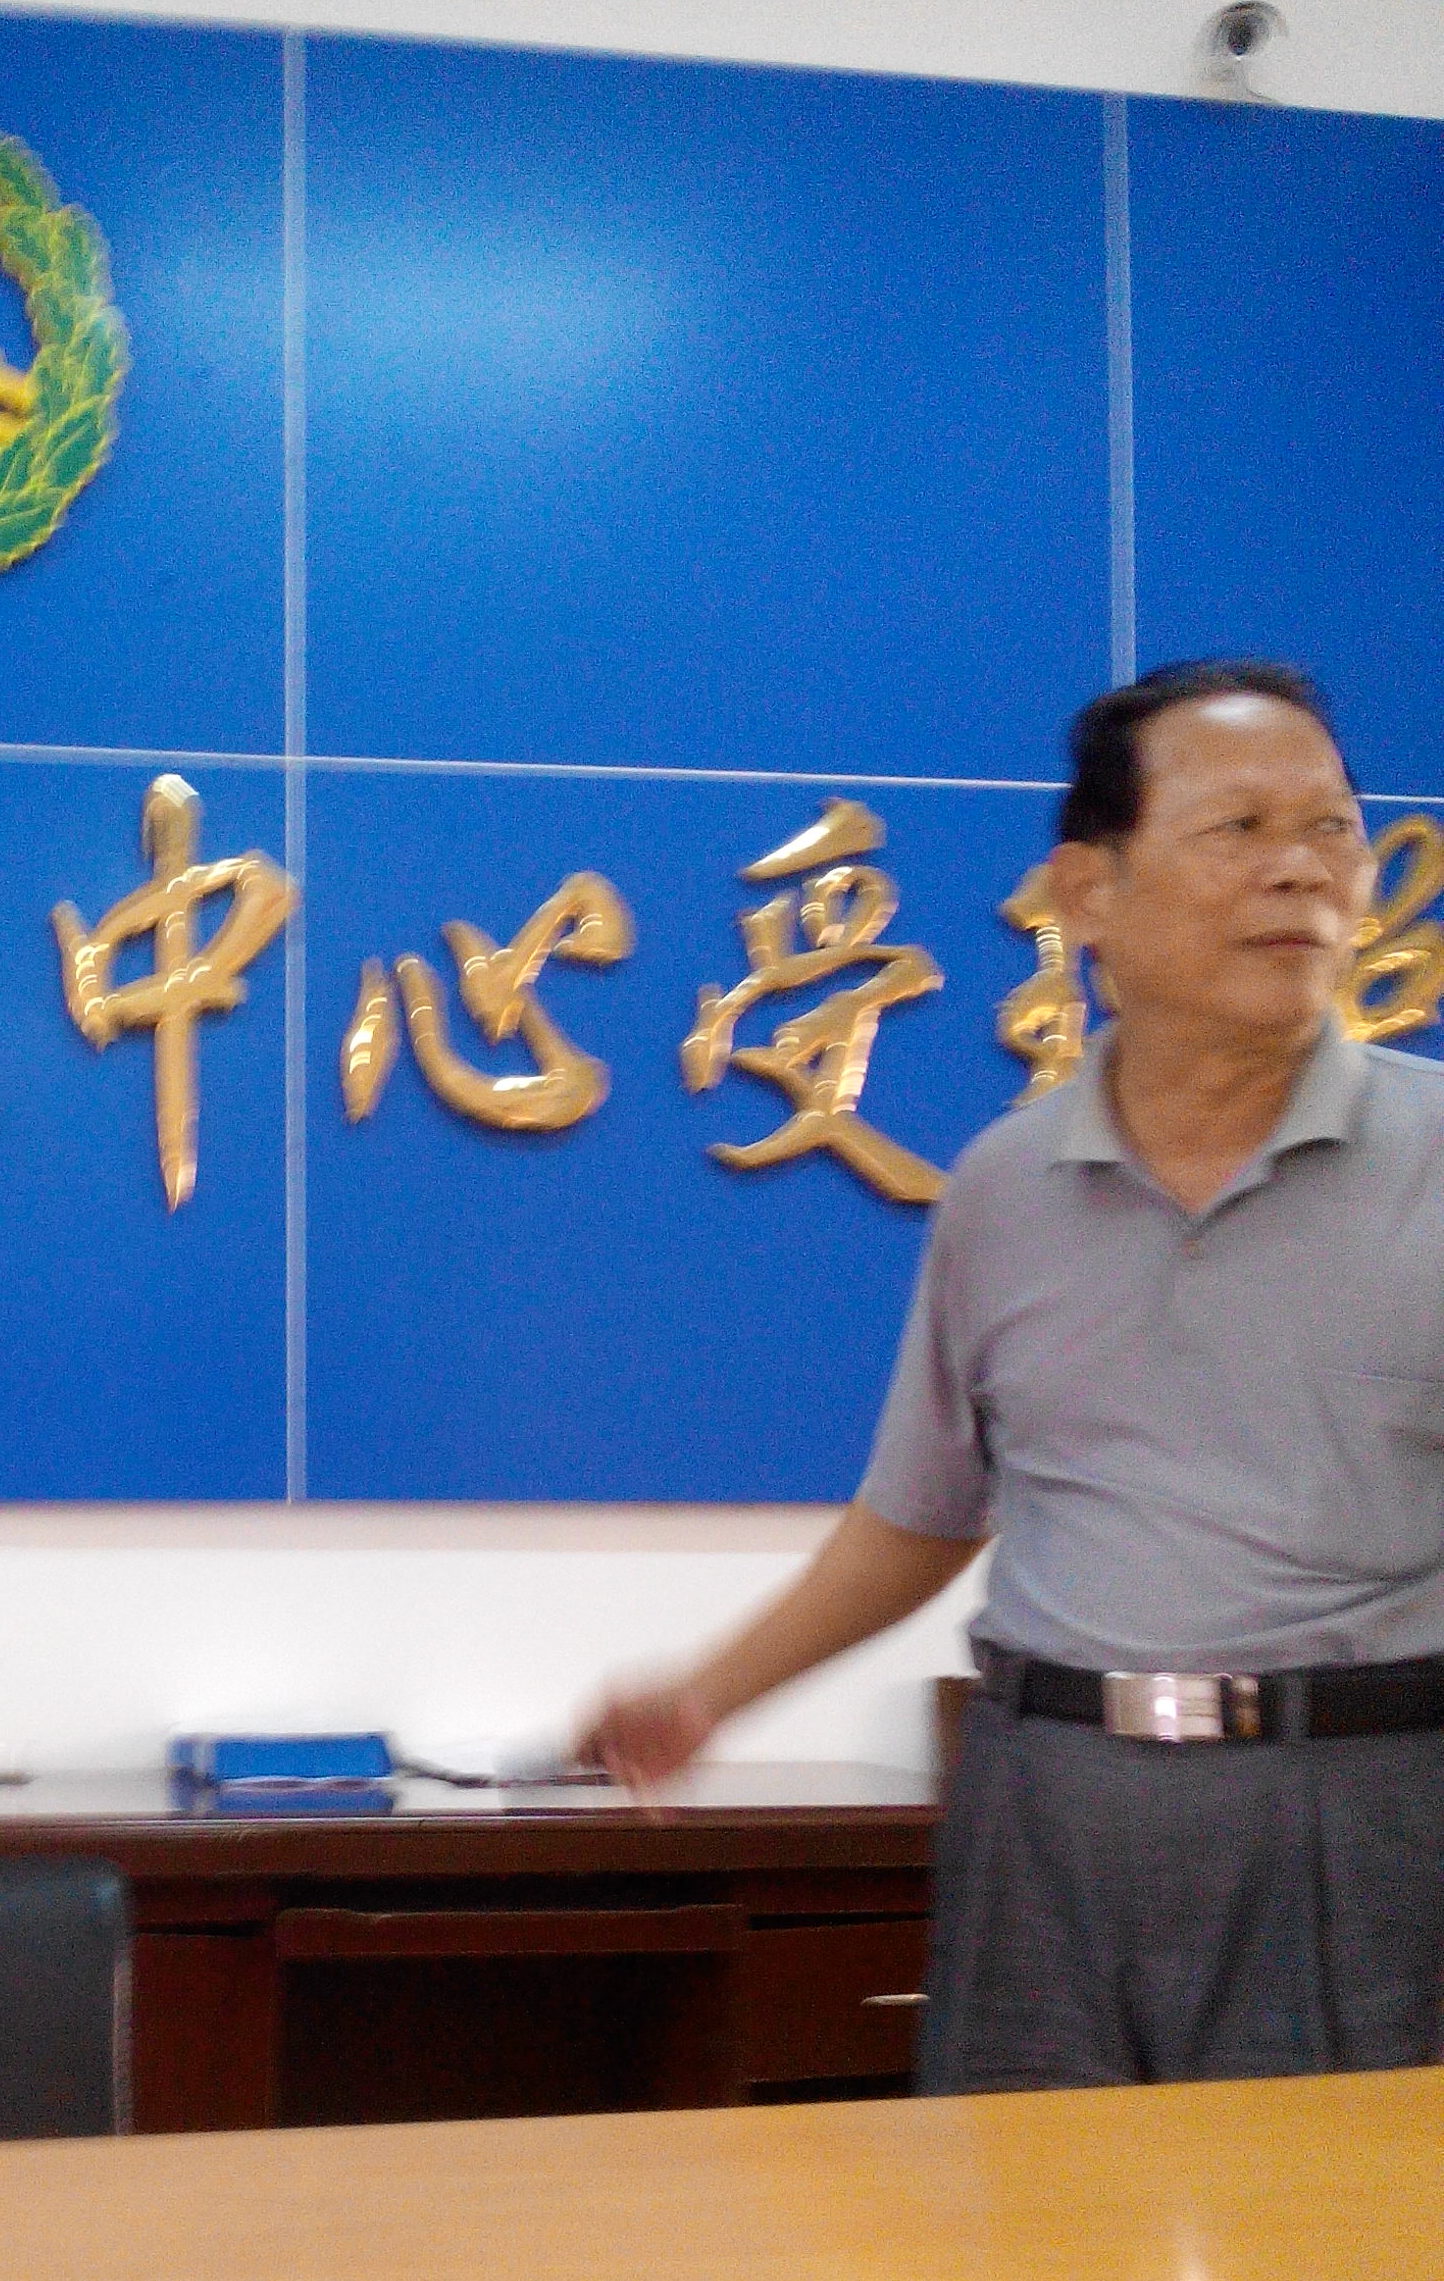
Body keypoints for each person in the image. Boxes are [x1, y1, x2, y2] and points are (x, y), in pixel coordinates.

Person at [578, 659, 1444, 2092]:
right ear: (1087, 891)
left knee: (1333, 2233)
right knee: (1019, 2217)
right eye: (1240, 830)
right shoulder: (1006, 1187)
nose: (1301, 872)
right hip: (1047, 1802)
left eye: (1331, 831)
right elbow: (922, 1519)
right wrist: (708, 1695)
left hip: (1361, 1806)